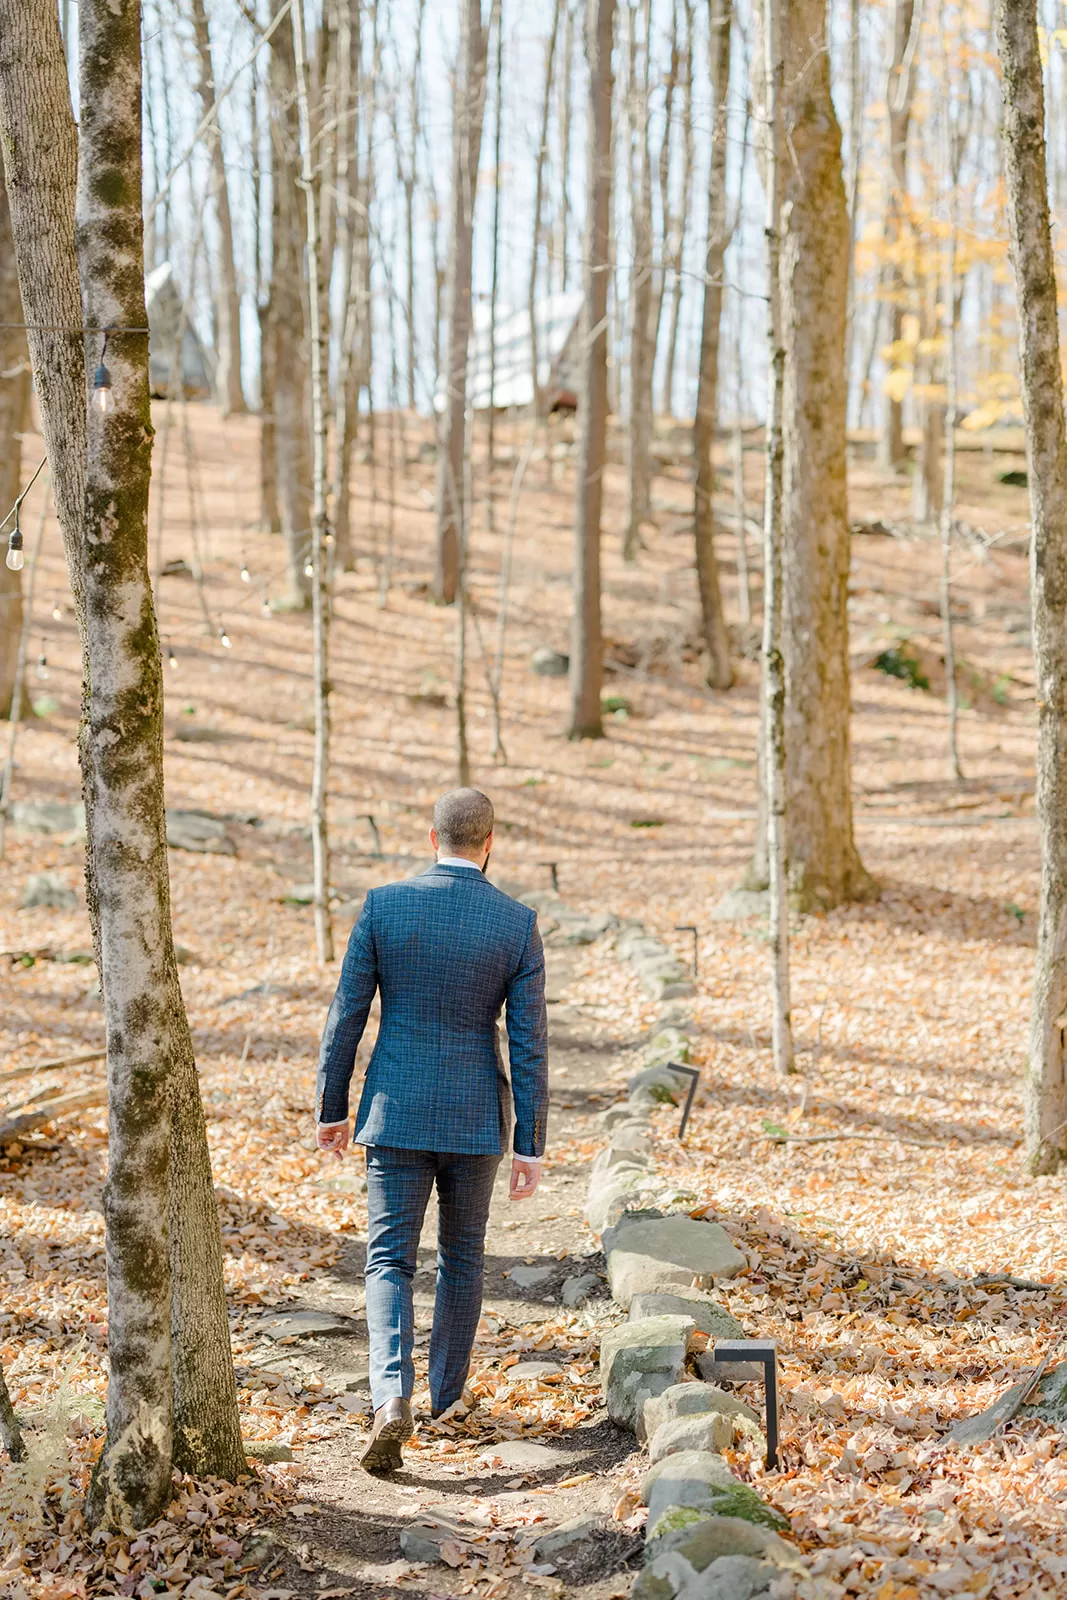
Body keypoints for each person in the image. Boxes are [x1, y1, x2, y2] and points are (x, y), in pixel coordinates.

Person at [315, 787, 549, 1473]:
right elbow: (530, 1043)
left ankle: (392, 1395)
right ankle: (444, 1398)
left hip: (396, 1110)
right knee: (463, 1257)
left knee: (389, 1258)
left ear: (431, 838)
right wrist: (530, 1142)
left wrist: (333, 1107)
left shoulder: (384, 906)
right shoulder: (515, 923)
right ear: (490, 842)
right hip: (475, 1117)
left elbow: (346, 1015)